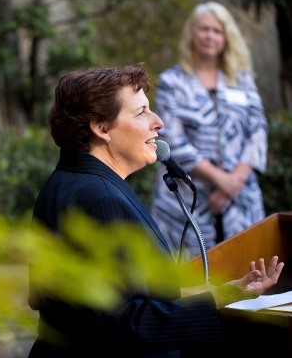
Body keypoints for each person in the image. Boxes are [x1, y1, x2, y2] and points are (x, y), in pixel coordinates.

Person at [27, 65, 283, 357]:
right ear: (101, 128)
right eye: (141, 112)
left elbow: (132, 300)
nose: (158, 122)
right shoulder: (101, 199)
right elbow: (123, 325)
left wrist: (227, 292)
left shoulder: (66, 180)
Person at [150, 2, 268, 258]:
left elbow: (258, 131)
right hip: (186, 194)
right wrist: (220, 180)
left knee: (247, 269)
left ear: (226, 37)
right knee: (190, 282)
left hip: (240, 194)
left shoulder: (242, 79)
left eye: (217, 30)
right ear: (192, 33)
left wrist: (232, 183)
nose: (210, 36)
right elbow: (172, 140)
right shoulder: (172, 82)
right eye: (204, 29)